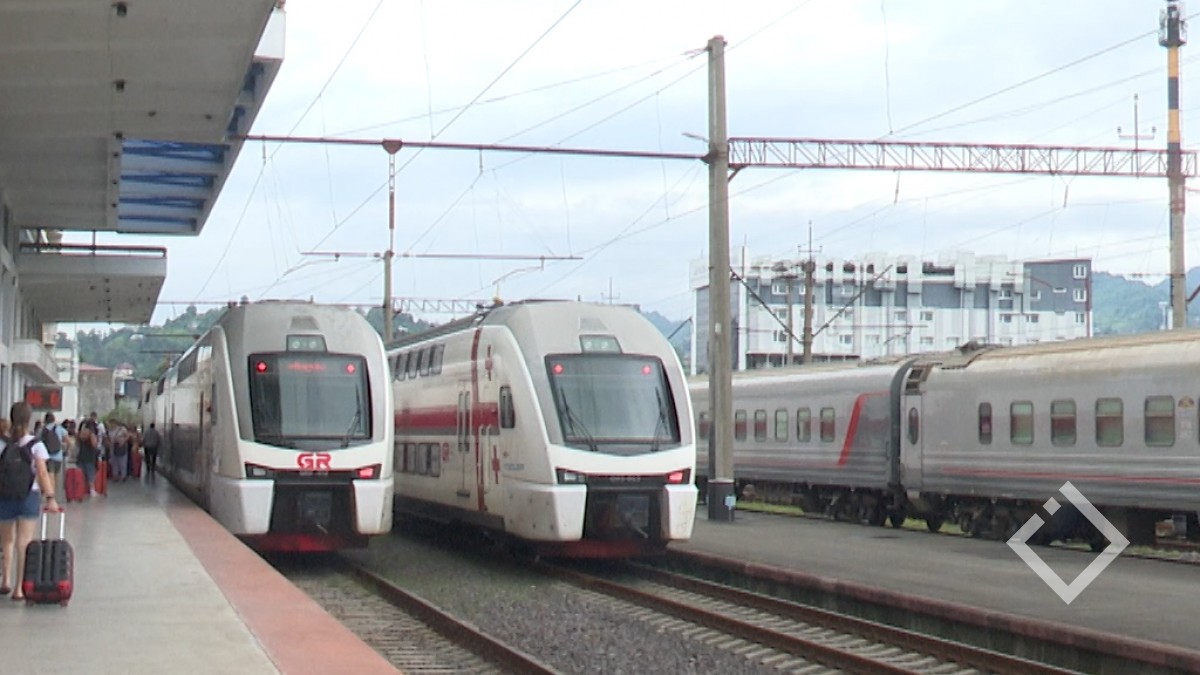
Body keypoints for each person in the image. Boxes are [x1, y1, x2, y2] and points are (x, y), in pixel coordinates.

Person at [0, 402, 58, 600]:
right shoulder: (36, 445)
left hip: (4, 496)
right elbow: (42, 473)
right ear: (29, 419)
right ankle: (19, 589)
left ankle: (5, 580)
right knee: (23, 542)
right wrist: (50, 497)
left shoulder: (3, 444)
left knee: (6, 541)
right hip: (28, 497)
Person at [75, 426, 100, 497]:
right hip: (90, 458)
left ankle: (80, 490)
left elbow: (77, 444)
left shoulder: (80, 437)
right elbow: (94, 445)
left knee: (81, 475)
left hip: (81, 457)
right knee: (90, 475)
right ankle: (92, 490)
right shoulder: (91, 436)